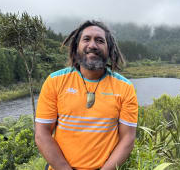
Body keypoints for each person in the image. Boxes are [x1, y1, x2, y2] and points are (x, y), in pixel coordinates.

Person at [35, 20, 138, 170]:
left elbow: (128, 138)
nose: (92, 45)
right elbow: (42, 133)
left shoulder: (125, 87)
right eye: (86, 39)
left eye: (100, 40)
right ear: (76, 47)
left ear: (109, 49)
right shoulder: (54, 81)